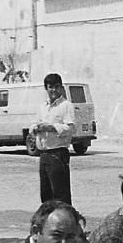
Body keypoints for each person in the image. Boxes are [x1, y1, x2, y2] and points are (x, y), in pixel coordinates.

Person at [31, 73, 75, 204]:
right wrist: (36, 128)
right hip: (44, 154)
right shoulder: (42, 107)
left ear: (61, 88)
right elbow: (33, 124)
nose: (53, 90)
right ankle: (48, 222)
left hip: (58, 154)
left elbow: (71, 128)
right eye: (50, 87)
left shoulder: (66, 106)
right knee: (46, 194)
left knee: (60, 194)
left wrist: (52, 128)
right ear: (46, 88)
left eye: (56, 87)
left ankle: (65, 221)